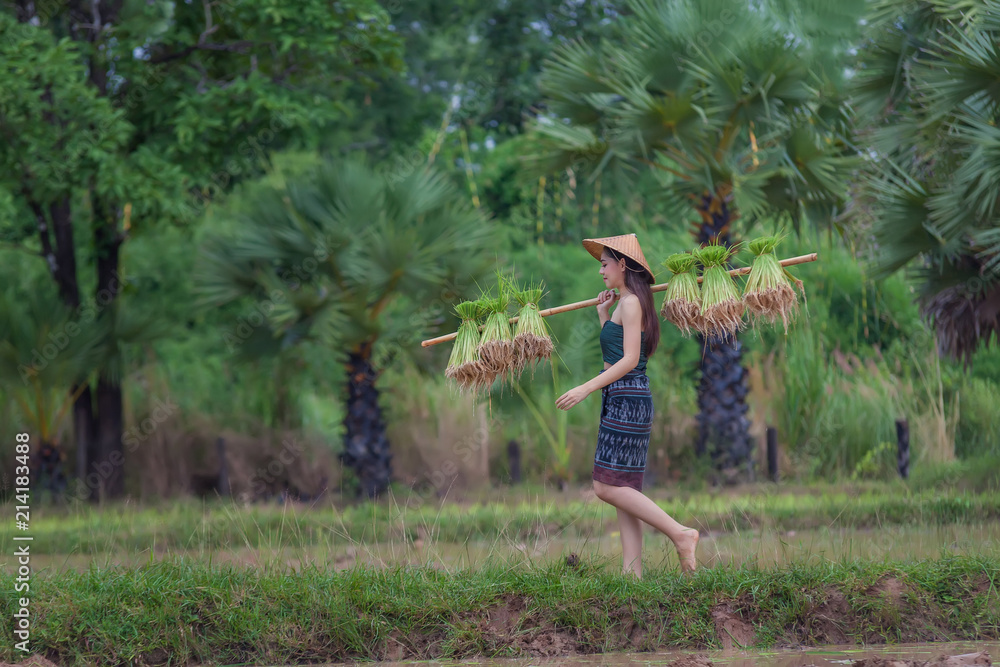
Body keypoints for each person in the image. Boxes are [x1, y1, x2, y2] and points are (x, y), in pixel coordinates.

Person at [555, 233, 699, 577]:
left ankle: (681, 534)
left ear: (622, 264)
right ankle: (632, 576)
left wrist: (586, 388)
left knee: (605, 487)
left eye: (605, 264)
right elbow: (616, 350)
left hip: (627, 397)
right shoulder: (626, 303)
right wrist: (603, 315)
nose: (601, 271)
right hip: (624, 396)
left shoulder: (633, 302)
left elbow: (631, 360)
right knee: (624, 487)